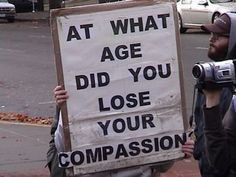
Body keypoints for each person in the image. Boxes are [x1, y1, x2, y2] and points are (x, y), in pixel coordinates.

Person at [47, 85, 176, 177]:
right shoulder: (76, 100)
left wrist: (176, 148)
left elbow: (162, 164)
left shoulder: (151, 111)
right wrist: (63, 108)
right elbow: (63, 151)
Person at [190, 12, 236, 177]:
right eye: (211, 34)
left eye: (219, 35)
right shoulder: (208, 78)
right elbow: (201, 124)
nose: (211, 39)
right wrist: (196, 147)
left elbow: (222, 158)